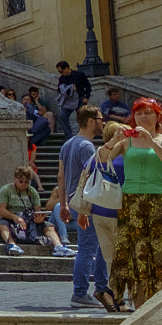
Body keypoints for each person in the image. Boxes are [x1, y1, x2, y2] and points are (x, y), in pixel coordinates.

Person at [99, 98, 162, 310]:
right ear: (133, 117)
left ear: (158, 116)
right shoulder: (126, 142)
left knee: (161, 256)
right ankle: (139, 310)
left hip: (160, 201)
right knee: (136, 257)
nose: (143, 116)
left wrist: (151, 141)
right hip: (132, 202)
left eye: (148, 112)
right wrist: (113, 141)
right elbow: (102, 158)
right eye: (139, 113)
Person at [51, 106, 110, 309]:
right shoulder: (87, 146)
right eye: (101, 119)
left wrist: (64, 204)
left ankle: (100, 287)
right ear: (91, 121)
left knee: (96, 246)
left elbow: (60, 176)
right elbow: (91, 177)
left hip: (74, 200)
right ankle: (82, 292)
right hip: (87, 203)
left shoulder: (67, 144)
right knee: (88, 248)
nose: (103, 122)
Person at [0, 166, 71, 256]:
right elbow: (1, 209)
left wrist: (39, 218)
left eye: (26, 182)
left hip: (27, 219)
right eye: (20, 181)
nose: (23, 184)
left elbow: (37, 210)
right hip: (11, 218)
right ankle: (11, 245)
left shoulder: (32, 192)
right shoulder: (6, 190)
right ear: (15, 179)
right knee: (3, 224)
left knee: (48, 226)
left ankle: (58, 246)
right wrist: (15, 217)